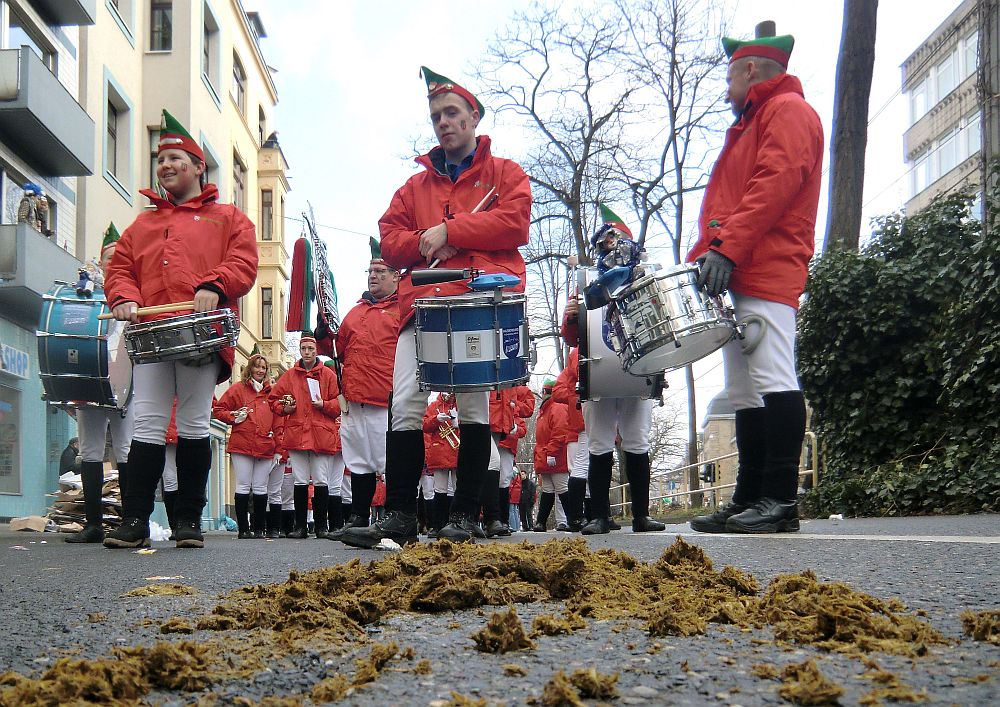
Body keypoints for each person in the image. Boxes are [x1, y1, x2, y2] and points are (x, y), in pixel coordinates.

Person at [343, 67, 531, 548]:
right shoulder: (413, 187)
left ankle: (466, 515)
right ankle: (402, 514)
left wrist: (453, 231)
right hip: (422, 306)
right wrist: (428, 240)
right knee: (404, 401)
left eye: (452, 113)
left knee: (471, 405)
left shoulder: (506, 173)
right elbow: (390, 239)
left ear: (474, 116)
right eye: (436, 116)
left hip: (475, 303)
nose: (443, 123)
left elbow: (515, 223)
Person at [688, 24, 823, 534]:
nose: (726, 90)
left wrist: (725, 248)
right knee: (744, 389)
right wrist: (710, 253)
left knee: (772, 377)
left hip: (764, 264)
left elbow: (775, 184)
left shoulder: (787, 112)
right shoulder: (758, 118)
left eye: (729, 77)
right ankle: (749, 497)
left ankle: (780, 498)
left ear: (749, 69)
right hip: (740, 265)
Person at [103, 109, 258, 549]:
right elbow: (121, 271)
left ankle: (187, 520)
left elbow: (244, 262)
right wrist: (124, 299)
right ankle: (134, 521)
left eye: (175, 158)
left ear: (197, 167)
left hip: (199, 332)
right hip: (152, 333)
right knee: (149, 423)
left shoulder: (228, 218)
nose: (166, 166)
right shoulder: (142, 224)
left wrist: (215, 283)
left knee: (192, 422)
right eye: (161, 159)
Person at [562, 206, 666, 536]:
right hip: (599, 372)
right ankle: (599, 516)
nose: (610, 247)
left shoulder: (645, 277)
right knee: (599, 443)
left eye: (615, 241)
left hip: (636, 371)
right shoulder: (590, 284)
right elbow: (572, 337)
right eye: (605, 242)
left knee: (637, 440)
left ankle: (641, 514)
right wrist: (571, 315)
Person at [318, 238, 400, 542]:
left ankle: (394, 516)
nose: (373, 276)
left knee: (388, 461)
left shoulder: (403, 309)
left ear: (396, 276)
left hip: (385, 398)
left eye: (380, 271)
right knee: (358, 461)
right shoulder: (356, 312)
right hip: (353, 398)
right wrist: (322, 333)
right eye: (370, 271)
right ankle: (358, 517)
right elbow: (335, 348)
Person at [66, 224, 134, 544]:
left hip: (124, 384)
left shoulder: (134, 293)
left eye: (117, 257)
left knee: (126, 450)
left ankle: (131, 521)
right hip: (90, 379)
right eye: (108, 257)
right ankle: (93, 524)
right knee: (91, 451)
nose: (112, 262)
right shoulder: (87, 294)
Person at [268, 335, 343, 539]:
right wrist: (286, 408)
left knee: (321, 480)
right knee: (300, 479)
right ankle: (300, 526)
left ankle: (321, 526)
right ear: (300, 351)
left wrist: (324, 405)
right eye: (304, 349)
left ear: (316, 350)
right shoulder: (290, 376)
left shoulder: (328, 375)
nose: (307, 352)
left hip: (320, 433)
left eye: (310, 348)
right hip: (298, 432)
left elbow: (339, 404)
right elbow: (273, 400)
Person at [212, 349, 279, 539]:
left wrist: (278, 445)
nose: (260, 370)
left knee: (260, 487)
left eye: (263, 367)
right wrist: (233, 417)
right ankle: (243, 528)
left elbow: (279, 417)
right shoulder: (238, 389)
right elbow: (219, 409)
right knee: (243, 485)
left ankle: (259, 528)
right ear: (250, 368)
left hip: (265, 445)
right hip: (243, 443)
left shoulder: (272, 392)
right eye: (257, 367)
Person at [531, 379, 573, 531]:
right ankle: (541, 522)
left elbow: (559, 432)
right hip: (547, 454)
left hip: (554, 454)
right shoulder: (547, 410)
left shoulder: (556, 408)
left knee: (561, 486)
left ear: (544, 391)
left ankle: (572, 519)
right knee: (548, 488)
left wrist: (551, 452)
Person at [422, 392, 460, 536]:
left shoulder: (460, 404)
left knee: (456, 489)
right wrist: (436, 419)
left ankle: (455, 523)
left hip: (457, 450)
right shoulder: (434, 406)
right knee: (440, 489)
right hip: (439, 452)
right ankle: (438, 525)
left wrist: (458, 422)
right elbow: (425, 425)